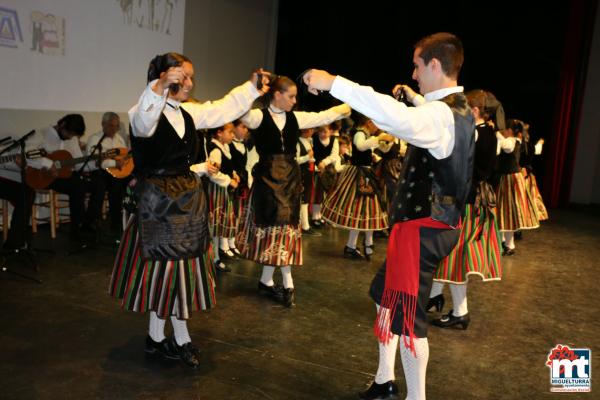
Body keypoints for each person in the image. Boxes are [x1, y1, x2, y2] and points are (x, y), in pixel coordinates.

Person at [304, 32, 475, 400]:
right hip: (432, 224)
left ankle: (415, 396)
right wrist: (415, 98)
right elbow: (425, 116)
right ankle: (384, 380)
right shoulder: (458, 109)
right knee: (385, 297)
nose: (413, 74)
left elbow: (396, 118)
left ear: (433, 64)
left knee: (410, 321)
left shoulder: (440, 116)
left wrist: (334, 83)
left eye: (417, 66)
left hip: (421, 228)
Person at [108, 52, 266, 369]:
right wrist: (159, 86)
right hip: (157, 208)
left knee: (175, 276)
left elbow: (221, 108)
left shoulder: (189, 113)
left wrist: (250, 89)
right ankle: (176, 339)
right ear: (164, 77)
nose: (190, 83)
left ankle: (158, 339)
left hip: (186, 205)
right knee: (165, 276)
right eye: (184, 76)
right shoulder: (142, 110)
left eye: (191, 77)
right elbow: (145, 121)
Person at [236, 75, 350, 308]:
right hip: (267, 181)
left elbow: (324, 116)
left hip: (289, 180)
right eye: (291, 96)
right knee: (276, 230)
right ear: (277, 95)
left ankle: (270, 281)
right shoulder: (258, 117)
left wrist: (349, 102)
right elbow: (240, 112)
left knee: (285, 230)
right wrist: (253, 90)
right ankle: (283, 282)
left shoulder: (295, 118)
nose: (294, 101)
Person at [428, 89, 503, 330]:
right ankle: (434, 296)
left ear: (475, 111)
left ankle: (460, 311)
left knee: (455, 255)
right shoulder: (488, 133)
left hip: (469, 202)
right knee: (449, 253)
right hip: (472, 201)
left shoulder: (477, 133)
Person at [320, 114, 391, 260]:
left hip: (366, 175)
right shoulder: (359, 133)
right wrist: (379, 138)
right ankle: (357, 245)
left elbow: (382, 150)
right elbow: (360, 145)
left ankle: (360, 243)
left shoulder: (367, 135)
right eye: (376, 124)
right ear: (369, 122)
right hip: (359, 175)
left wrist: (386, 141)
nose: (377, 128)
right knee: (360, 211)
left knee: (367, 211)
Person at [83, 112, 129, 236]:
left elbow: (124, 156)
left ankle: (120, 221)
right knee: (108, 185)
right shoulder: (95, 139)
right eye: (112, 126)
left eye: (116, 126)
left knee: (130, 181)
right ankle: (93, 222)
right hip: (97, 172)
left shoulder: (119, 139)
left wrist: (124, 162)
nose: (115, 129)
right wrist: (115, 163)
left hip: (116, 173)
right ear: (103, 124)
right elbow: (96, 162)